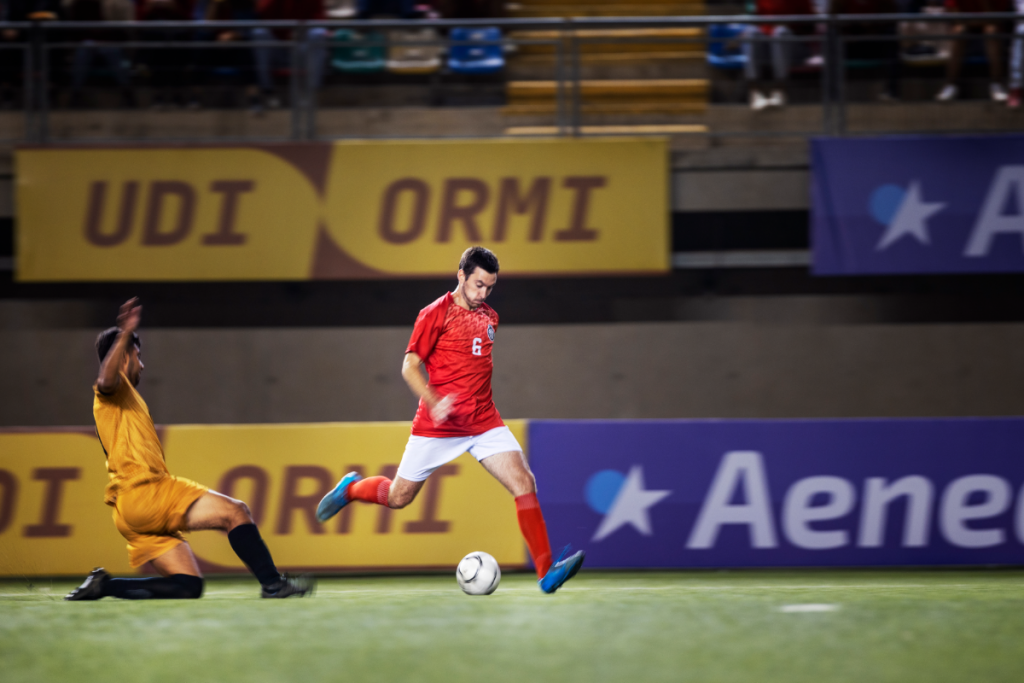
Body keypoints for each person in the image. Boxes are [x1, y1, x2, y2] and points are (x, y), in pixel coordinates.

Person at [316, 247, 585, 594]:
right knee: (398, 498)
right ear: (460, 275)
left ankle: (546, 573)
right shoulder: (433, 314)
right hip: (437, 426)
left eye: (489, 287)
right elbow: (410, 366)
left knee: (524, 482)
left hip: (484, 422)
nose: (482, 293)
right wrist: (434, 401)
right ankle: (350, 489)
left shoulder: (490, 318)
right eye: (477, 285)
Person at [66, 298, 313, 601]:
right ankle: (274, 584)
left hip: (129, 512)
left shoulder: (124, 399)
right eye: (138, 356)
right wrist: (125, 333)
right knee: (236, 512)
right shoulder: (113, 390)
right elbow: (104, 379)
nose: (142, 364)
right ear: (125, 356)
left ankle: (105, 586)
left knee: (188, 586)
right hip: (146, 492)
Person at [742, 0, 816, 110]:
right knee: (752, 33)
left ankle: (780, 90)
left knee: (781, 32)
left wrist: (789, 24)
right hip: (768, 44)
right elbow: (756, 22)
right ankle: (755, 92)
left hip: (794, 46)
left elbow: (811, 25)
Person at [935, 0, 1011, 102]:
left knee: (991, 31)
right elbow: (954, 15)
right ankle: (950, 85)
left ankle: (997, 84)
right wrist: (972, 22)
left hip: (988, 27)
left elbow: (996, 19)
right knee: (959, 32)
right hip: (966, 26)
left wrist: (985, 3)